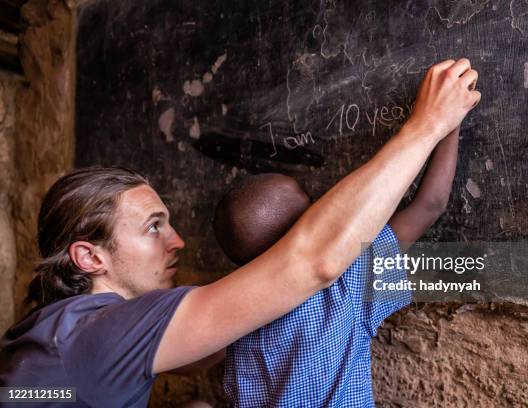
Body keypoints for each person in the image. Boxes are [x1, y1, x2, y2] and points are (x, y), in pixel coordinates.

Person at [0, 59, 479, 407]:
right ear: (89, 258)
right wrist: (433, 123)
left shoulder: (51, 335)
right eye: (153, 227)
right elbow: (315, 260)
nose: (179, 241)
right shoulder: (110, 331)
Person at [214, 123, 459, 406]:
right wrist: (448, 122)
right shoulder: (343, 287)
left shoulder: (232, 326)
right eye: (313, 210)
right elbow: (431, 204)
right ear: (302, 238)